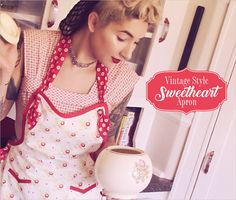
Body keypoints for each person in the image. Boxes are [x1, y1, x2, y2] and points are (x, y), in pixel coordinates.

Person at [0, 0, 162, 199]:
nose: (128, 53)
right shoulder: (35, 48)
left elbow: (108, 139)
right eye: (121, 38)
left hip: (81, 191)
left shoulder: (122, 79)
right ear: (94, 21)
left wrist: (117, 178)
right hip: (20, 186)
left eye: (136, 42)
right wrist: (5, 72)